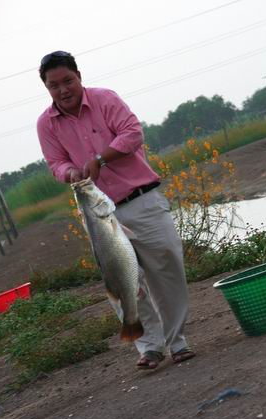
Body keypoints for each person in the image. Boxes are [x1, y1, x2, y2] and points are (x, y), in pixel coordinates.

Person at [36, 51, 195, 369]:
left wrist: (100, 159)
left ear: (78, 75)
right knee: (120, 278)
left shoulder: (105, 99)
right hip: (98, 214)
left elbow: (133, 133)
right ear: (47, 87)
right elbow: (56, 164)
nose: (63, 90)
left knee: (167, 270)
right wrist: (71, 173)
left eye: (67, 81)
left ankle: (177, 343)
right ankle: (148, 346)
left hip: (142, 200)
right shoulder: (46, 124)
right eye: (54, 86)